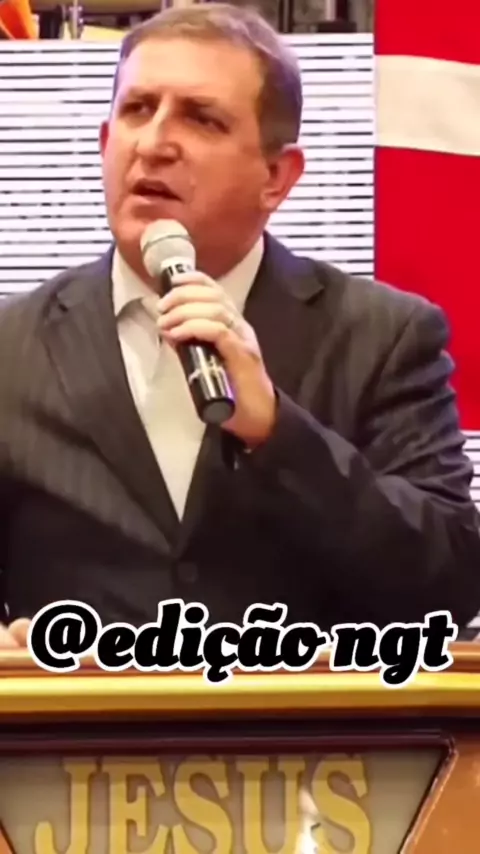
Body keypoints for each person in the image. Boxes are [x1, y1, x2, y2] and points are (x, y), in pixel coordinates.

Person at [0, 2, 479, 650]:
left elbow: (449, 586)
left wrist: (277, 432)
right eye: (138, 109)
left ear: (276, 177)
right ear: (105, 141)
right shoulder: (11, 347)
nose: (154, 143)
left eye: (202, 118)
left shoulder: (383, 338)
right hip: (73, 715)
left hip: (309, 717)